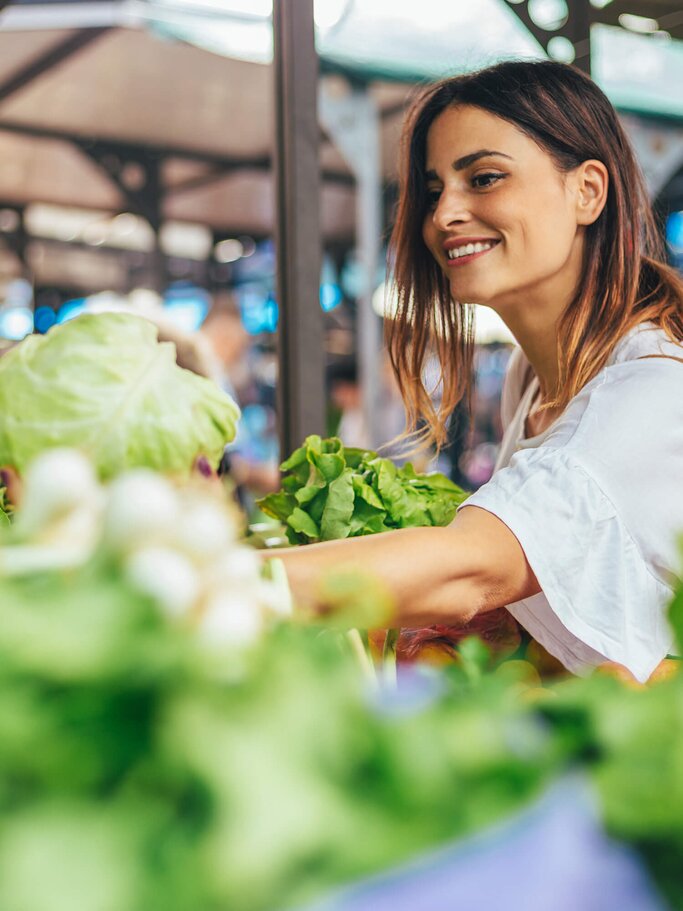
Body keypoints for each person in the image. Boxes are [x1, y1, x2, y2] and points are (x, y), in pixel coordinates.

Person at [271, 60, 683, 684]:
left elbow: (473, 568)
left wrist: (227, 583)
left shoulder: (653, 390)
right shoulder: (532, 375)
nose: (443, 216)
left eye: (484, 178)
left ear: (588, 192)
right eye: (435, 191)